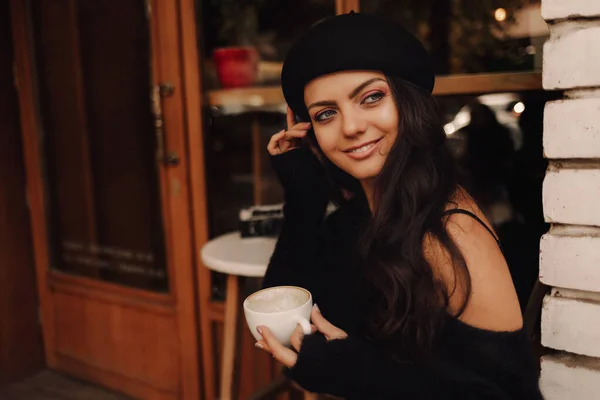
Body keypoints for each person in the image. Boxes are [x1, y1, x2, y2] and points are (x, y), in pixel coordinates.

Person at [255, 12, 543, 400]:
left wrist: (356, 373)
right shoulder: (361, 216)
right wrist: (304, 195)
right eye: (326, 114)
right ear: (311, 132)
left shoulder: (448, 230)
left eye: (371, 97)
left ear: (409, 103)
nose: (351, 126)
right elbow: (278, 316)